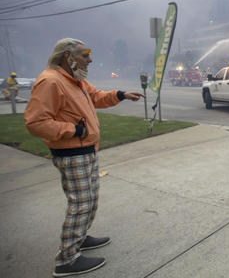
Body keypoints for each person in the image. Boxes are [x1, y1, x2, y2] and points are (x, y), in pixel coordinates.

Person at [24, 38, 144, 277]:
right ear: (67, 57)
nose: (90, 59)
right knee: (81, 204)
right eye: (84, 55)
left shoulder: (75, 81)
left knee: (90, 200)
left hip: (86, 149)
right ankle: (67, 259)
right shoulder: (50, 81)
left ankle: (79, 237)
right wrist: (74, 130)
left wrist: (120, 94)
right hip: (71, 152)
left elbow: (97, 97)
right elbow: (36, 122)